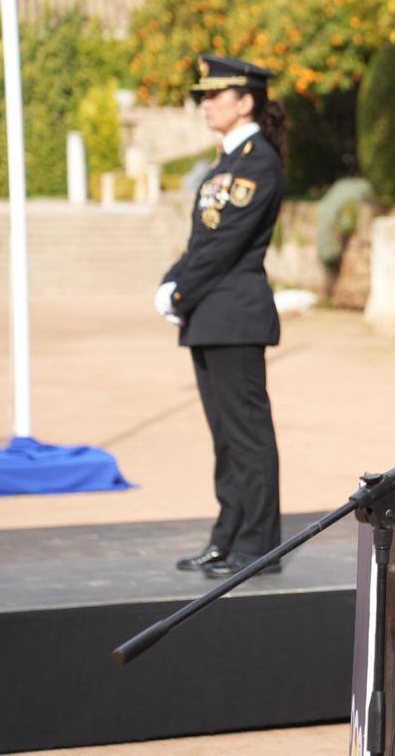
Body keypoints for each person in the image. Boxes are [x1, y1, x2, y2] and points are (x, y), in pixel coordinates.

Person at [156, 54, 288, 579]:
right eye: (204, 95)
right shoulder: (229, 159)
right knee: (226, 438)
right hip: (212, 316)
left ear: (246, 101)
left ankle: (258, 547)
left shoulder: (257, 160)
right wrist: (171, 282)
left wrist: (180, 291)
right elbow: (202, 239)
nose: (206, 103)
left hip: (234, 315)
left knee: (248, 436)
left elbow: (226, 243)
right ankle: (227, 536)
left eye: (215, 94)